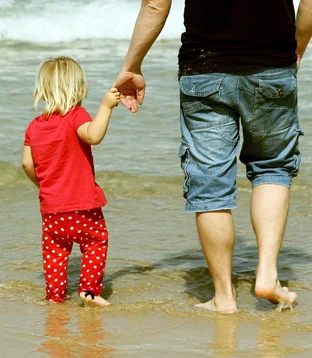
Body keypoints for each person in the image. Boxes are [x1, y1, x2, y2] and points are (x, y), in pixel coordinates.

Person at [115, 0, 312, 312]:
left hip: (203, 69)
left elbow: (155, 4)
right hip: (273, 65)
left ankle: (224, 296)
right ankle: (267, 274)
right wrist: (297, 48)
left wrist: (131, 66)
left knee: (210, 184)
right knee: (272, 168)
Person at [22, 56, 121, 306]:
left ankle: (55, 297)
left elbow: (27, 164)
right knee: (96, 242)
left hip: (52, 210)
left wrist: (44, 185)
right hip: (83, 206)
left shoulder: (34, 126)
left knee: (55, 252)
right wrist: (106, 106)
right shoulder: (76, 115)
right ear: (79, 89)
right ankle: (88, 290)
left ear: (43, 90)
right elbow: (94, 135)